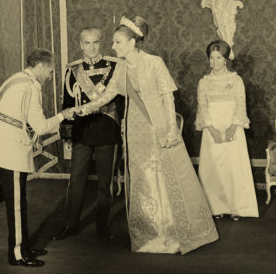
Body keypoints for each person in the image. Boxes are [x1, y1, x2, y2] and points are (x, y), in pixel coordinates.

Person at [78, 16, 218, 254]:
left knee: (163, 175)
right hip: (134, 128)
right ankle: (148, 233)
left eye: (118, 42)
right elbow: (107, 95)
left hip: (156, 125)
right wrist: (85, 108)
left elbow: (167, 96)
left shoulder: (154, 62)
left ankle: (171, 233)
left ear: (133, 42)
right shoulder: (121, 68)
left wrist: (170, 129)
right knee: (142, 175)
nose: (113, 46)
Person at [0, 48, 76, 268]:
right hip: (11, 151)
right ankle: (17, 254)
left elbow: (15, 116)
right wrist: (64, 115)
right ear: (41, 66)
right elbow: (42, 126)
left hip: (5, 146)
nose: (50, 76)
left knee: (19, 203)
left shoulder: (16, 79)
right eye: (50, 71)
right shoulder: (30, 88)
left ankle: (24, 246)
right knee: (16, 206)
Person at [53, 27, 124, 241]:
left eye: (95, 43)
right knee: (76, 180)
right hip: (82, 131)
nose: (91, 47)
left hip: (106, 129)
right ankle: (70, 224)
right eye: (87, 43)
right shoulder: (72, 70)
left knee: (105, 183)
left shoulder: (115, 66)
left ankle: (102, 226)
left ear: (101, 43)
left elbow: (120, 101)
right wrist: (67, 131)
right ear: (80, 44)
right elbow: (67, 102)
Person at [195, 40, 259, 220]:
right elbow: (203, 107)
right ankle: (215, 207)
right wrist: (212, 130)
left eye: (218, 58)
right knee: (214, 167)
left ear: (225, 60)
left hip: (232, 126)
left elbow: (240, 104)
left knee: (233, 166)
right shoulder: (204, 82)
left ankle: (236, 207)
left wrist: (233, 127)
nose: (214, 62)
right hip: (212, 128)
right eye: (211, 58)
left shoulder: (236, 80)